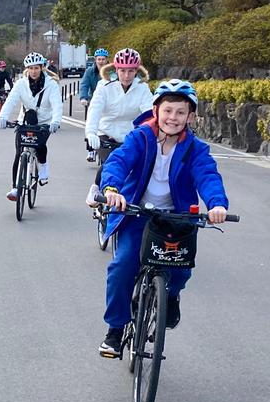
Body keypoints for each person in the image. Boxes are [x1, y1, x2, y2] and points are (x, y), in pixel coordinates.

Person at [97, 79, 229, 357]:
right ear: (156, 111)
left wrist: (217, 204)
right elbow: (118, 162)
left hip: (177, 220)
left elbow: (208, 176)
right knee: (122, 266)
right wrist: (112, 189)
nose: (173, 117)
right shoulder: (140, 138)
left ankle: (170, 296)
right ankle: (116, 330)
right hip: (137, 215)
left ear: (190, 117)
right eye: (168, 110)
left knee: (181, 271)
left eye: (181, 112)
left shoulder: (196, 149)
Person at [84, 49, 154, 206]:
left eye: (131, 71)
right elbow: (95, 109)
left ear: (137, 70)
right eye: (123, 70)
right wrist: (91, 133)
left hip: (131, 135)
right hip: (106, 132)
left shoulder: (142, 88)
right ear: (116, 69)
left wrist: (156, 135)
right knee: (111, 160)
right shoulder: (104, 86)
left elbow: (150, 114)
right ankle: (96, 187)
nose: (127, 75)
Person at [0, 52, 62, 200]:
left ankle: (43, 165)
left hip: (44, 121)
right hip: (25, 120)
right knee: (19, 152)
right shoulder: (21, 84)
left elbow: (57, 104)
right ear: (27, 69)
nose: (33, 71)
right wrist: (2, 117)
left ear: (42, 68)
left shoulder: (50, 84)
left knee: (39, 145)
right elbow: (11, 100)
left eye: (36, 68)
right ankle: (15, 188)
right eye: (30, 68)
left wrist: (55, 121)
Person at [81, 48, 109, 161]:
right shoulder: (89, 72)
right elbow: (84, 85)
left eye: (103, 59)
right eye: (99, 59)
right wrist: (83, 98)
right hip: (94, 101)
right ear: (95, 60)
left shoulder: (111, 72)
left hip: (108, 103)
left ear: (107, 60)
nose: (101, 62)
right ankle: (91, 150)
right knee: (91, 124)